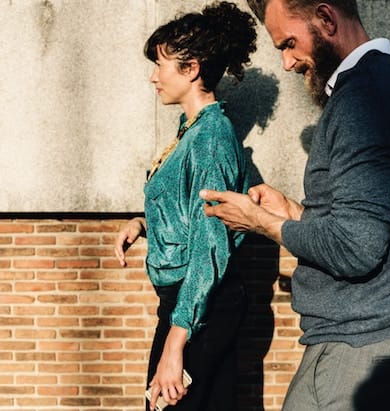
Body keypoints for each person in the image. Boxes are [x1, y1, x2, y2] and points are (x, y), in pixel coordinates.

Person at [200, 0, 390, 410]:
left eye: (289, 44)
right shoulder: (374, 87)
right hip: (356, 337)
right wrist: (291, 211)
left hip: (359, 342)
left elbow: (356, 248)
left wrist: (261, 223)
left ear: (326, 19)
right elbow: (361, 222)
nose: (288, 63)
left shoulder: (367, 98)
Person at [113, 2, 256, 410]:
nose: (153, 77)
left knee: (163, 402)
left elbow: (210, 244)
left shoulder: (210, 137)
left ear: (191, 68)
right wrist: (143, 223)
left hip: (197, 306)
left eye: (161, 65)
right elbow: (188, 212)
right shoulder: (191, 131)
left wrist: (176, 343)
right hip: (190, 304)